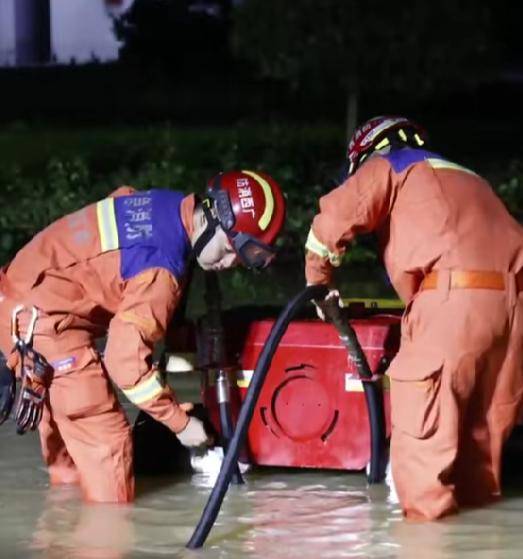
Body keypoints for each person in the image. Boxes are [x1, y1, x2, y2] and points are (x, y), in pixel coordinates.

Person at [0, 169, 285, 503]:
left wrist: (172, 337)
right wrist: (180, 424)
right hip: (46, 322)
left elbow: (117, 251)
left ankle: (62, 522)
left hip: (22, 298)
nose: (230, 262)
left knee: (70, 452)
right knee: (107, 443)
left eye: (240, 257)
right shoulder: (160, 272)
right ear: (210, 218)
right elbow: (124, 363)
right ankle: (104, 539)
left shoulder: (167, 205)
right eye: (228, 249)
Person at [305, 116, 523, 520]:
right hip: (512, 312)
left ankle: (426, 541)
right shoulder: (469, 177)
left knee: (424, 454)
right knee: (478, 455)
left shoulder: (393, 164)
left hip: (453, 302)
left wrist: (319, 284)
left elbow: (331, 223)